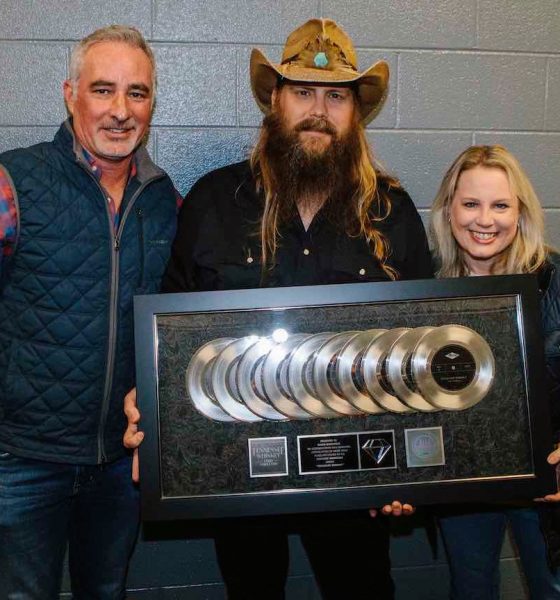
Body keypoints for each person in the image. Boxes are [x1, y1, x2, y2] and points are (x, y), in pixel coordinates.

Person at [125, 18, 432, 599]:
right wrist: (154, 407)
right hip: (238, 467)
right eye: (303, 92)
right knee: (252, 589)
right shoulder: (214, 202)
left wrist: (411, 464)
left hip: (356, 472)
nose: (319, 109)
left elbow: (418, 348)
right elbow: (170, 334)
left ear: (355, 112)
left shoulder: (392, 214)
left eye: (336, 95)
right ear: (275, 100)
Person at [0, 25, 178, 599]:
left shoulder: (168, 203)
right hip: (21, 461)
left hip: (119, 465)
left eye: (138, 93)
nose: (121, 111)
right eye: (103, 90)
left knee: (106, 591)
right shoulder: (12, 184)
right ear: (69, 92)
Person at [430, 144, 560, 599]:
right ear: (449, 210)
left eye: (500, 205)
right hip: (467, 478)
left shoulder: (556, 278)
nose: (485, 219)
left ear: (519, 212)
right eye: (471, 204)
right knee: (470, 588)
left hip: (549, 480)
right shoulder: (425, 287)